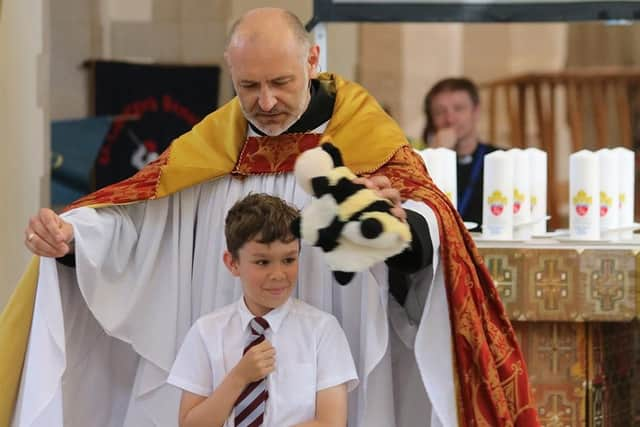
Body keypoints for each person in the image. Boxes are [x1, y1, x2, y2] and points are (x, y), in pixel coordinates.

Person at [2, 7, 538, 427]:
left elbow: (424, 220)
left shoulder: (363, 136)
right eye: (248, 86)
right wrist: (75, 238)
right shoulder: (215, 143)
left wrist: (396, 229)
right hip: (225, 343)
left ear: (313, 61)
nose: (264, 102)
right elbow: (143, 221)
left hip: (338, 343)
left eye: (280, 82)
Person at [168, 193, 357, 426]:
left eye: (288, 260)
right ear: (232, 263)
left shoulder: (322, 330)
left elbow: (331, 422)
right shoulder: (206, 331)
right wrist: (239, 377)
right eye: (262, 262)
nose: (278, 274)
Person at [422, 77, 500, 230]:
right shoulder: (421, 163)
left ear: (476, 111)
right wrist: (438, 156)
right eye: (440, 112)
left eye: (458, 109)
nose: (450, 119)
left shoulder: (500, 159)